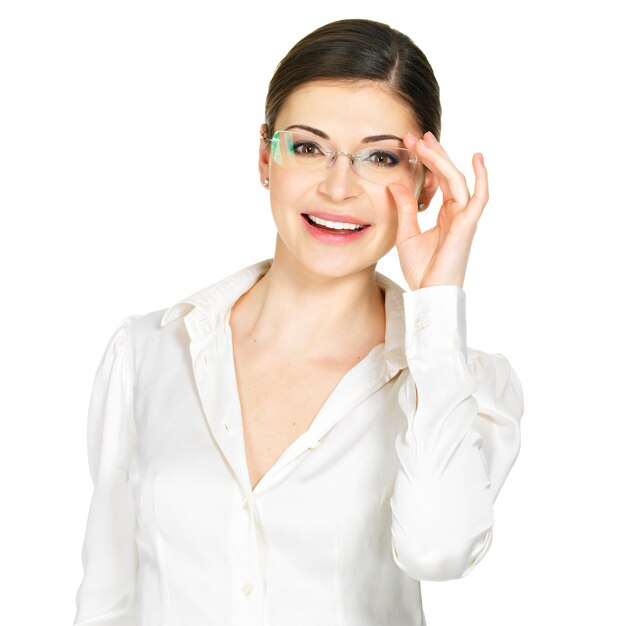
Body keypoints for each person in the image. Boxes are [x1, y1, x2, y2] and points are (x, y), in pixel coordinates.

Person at [72, 17, 524, 626]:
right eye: (309, 147)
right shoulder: (147, 352)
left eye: (381, 157)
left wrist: (435, 303)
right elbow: (106, 596)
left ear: (423, 185)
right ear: (265, 156)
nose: (339, 187)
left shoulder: (463, 384)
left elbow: (437, 552)